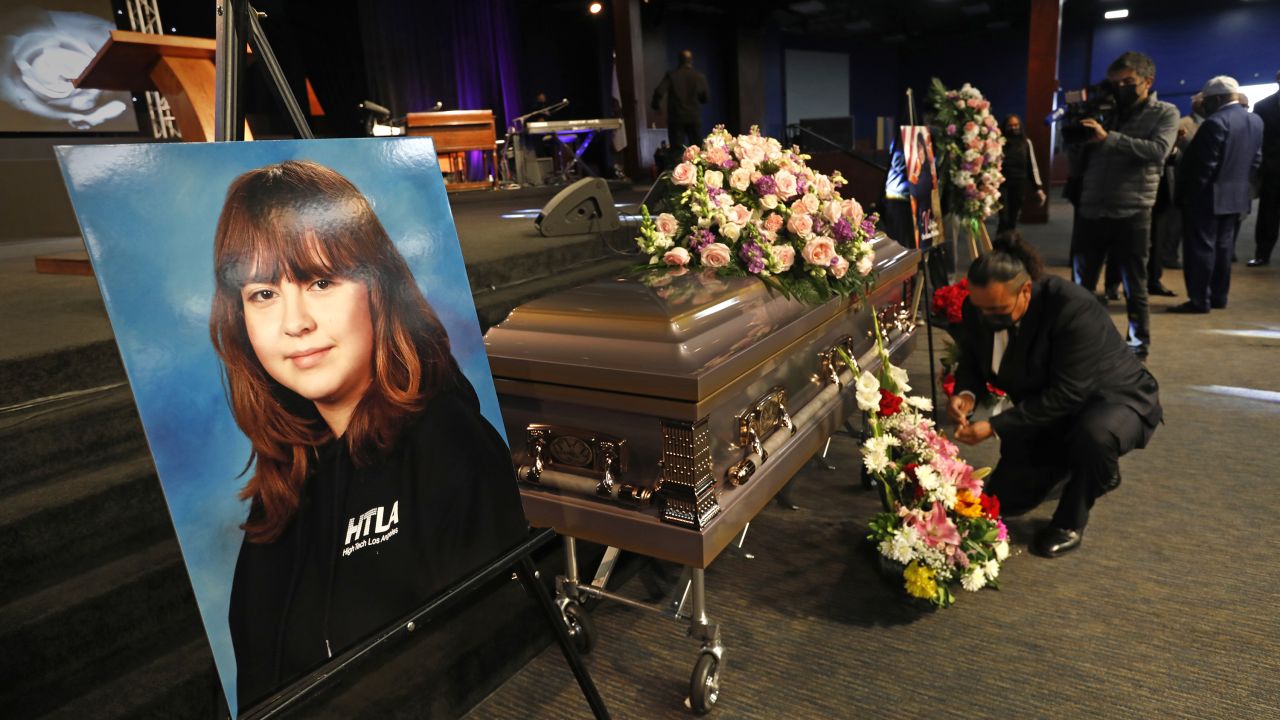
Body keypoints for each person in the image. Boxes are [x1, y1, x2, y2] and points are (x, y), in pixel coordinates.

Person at [210, 161, 528, 708]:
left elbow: (494, 670)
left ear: (379, 287)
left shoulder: (451, 447)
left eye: (321, 281)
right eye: (262, 293)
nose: (295, 322)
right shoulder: (281, 490)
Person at [949, 232, 1162, 558]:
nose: (987, 317)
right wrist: (966, 394)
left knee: (1094, 436)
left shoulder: (1072, 306)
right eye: (981, 309)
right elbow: (973, 359)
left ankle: (1070, 520)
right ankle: (1091, 470)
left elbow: (1069, 392)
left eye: (998, 308)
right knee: (1007, 499)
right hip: (1046, 405)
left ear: (1026, 291)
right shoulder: (978, 307)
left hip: (1113, 398)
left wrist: (994, 427)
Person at [1066, 51, 1179, 359]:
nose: (1121, 88)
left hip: (1133, 210)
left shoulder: (1165, 112)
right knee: (1080, 286)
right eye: (1115, 83)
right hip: (1091, 208)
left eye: (1128, 82)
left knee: (1134, 284)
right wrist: (1076, 141)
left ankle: (1137, 344)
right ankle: (1080, 341)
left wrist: (1109, 138)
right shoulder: (1106, 110)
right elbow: (1081, 162)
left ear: (1148, 81)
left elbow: (1159, 151)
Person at [1169, 77, 1264, 313]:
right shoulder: (1255, 121)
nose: (1204, 105)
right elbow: (1256, 160)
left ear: (1219, 99)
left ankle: (1200, 300)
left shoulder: (1216, 122)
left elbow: (1205, 166)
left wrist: (1189, 197)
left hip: (1206, 198)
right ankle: (1219, 297)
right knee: (1223, 249)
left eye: (1207, 100)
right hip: (1236, 197)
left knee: (1200, 250)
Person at [651, 49, 709, 158]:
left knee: (676, 151)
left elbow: (659, 91)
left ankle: (678, 172)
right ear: (692, 61)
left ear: (679, 60)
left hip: (676, 118)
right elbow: (705, 98)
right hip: (693, 117)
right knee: (697, 150)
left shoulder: (672, 75)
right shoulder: (699, 77)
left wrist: (656, 106)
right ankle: (698, 173)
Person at [1248, 71, 1280, 267]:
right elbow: (1255, 139)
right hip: (1272, 171)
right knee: (1268, 214)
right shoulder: (1262, 106)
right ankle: (1262, 254)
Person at [996, 114, 1046, 233]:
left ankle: (1009, 246)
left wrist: (1038, 188)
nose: (1013, 128)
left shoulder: (1026, 143)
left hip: (1019, 184)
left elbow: (1032, 167)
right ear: (1005, 127)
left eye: (1016, 125)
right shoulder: (999, 142)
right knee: (1003, 217)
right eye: (1010, 125)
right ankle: (1000, 245)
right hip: (1002, 184)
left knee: (1013, 218)